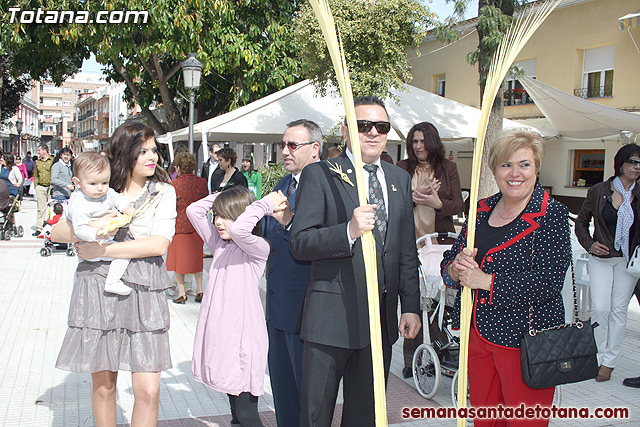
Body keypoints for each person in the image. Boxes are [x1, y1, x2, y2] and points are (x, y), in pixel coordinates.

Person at [290, 96, 421, 426]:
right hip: (329, 323)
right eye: (364, 126)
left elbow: (405, 249)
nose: (373, 133)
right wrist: (347, 231)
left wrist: (411, 306)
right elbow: (300, 243)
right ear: (347, 131)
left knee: (366, 417)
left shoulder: (399, 179)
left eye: (382, 127)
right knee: (315, 416)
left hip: (379, 323)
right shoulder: (320, 174)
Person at [441, 129, 570, 427]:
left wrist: (486, 281)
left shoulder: (552, 215)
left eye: (524, 164)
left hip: (527, 343)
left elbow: (549, 282)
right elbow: (452, 260)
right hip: (478, 336)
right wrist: (455, 269)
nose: (515, 173)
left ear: (537, 167)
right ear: (494, 169)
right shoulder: (481, 209)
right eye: (505, 164)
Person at [52, 122, 177, 427]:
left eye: (154, 150)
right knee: (105, 386)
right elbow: (57, 230)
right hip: (99, 287)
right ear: (125, 152)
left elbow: (159, 244)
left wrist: (103, 250)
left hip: (146, 287)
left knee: (148, 391)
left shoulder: (162, 192)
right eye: (143, 150)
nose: (153, 157)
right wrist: (96, 227)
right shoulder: (100, 188)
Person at [187, 186, 288, 427]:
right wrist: (226, 196)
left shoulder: (257, 248)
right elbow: (193, 210)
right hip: (224, 341)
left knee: (246, 414)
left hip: (243, 343)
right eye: (217, 216)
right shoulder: (220, 245)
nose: (218, 222)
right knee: (236, 413)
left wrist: (261, 204)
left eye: (226, 216)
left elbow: (241, 230)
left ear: (243, 216)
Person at [262, 119, 321, 427]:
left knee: (307, 397)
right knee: (284, 392)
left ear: (315, 149)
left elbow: (323, 240)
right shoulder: (283, 184)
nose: (285, 151)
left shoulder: (327, 184)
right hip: (278, 305)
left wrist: (288, 221)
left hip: (307, 310)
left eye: (292, 145)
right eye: (282, 144)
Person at [396, 121, 465, 378]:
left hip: (440, 246)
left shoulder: (449, 168)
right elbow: (392, 204)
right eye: (414, 141)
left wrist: (437, 203)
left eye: (423, 141)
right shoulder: (402, 168)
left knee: (438, 301)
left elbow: (458, 204)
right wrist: (414, 197)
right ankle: (410, 360)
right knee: (412, 299)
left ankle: (438, 354)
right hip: (408, 244)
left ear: (433, 142)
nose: (418, 146)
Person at [575, 143, 640, 384]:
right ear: (621, 163)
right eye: (633, 162)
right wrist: (590, 244)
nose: (637, 167)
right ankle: (597, 355)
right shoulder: (598, 191)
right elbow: (581, 223)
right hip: (601, 258)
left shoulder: (639, 194)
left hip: (628, 261)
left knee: (619, 311)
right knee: (601, 308)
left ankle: (609, 362)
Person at [66, 151, 137, 296]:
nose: (100, 188)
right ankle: (112, 281)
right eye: (93, 183)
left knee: (121, 253)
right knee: (123, 254)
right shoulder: (79, 201)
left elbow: (118, 199)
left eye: (104, 182)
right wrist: (97, 233)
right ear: (77, 182)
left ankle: (108, 280)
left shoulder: (107, 192)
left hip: (104, 239)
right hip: (90, 241)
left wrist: (127, 208)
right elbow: (79, 228)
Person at [166, 152, 209, 304]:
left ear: (178, 168)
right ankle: (199, 290)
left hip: (179, 225)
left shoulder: (173, 185)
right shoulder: (202, 182)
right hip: (197, 226)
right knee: (197, 258)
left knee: (178, 260)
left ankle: (182, 293)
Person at [33, 144, 54, 236]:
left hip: (50, 187)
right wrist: (36, 185)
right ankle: (39, 227)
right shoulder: (38, 162)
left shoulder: (52, 160)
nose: (38, 152)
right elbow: (36, 175)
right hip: (41, 187)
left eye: (39, 150)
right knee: (41, 208)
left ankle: (53, 226)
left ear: (45, 150)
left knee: (52, 208)